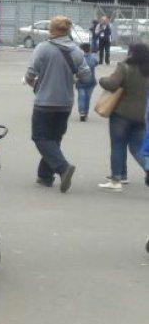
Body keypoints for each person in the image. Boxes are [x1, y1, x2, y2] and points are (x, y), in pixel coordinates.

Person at [25, 16, 91, 192]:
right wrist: (72, 80)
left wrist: (36, 85)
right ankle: (45, 176)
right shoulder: (76, 51)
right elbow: (86, 75)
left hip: (44, 102)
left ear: (52, 30)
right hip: (65, 103)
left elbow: (29, 74)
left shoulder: (43, 48)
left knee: (40, 137)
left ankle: (63, 168)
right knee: (54, 139)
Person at [96, 42, 149, 190]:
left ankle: (116, 179)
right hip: (142, 115)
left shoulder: (125, 67)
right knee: (137, 147)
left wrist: (102, 80)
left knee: (118, 145)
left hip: (122, 114)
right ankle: (129, 173)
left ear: (131, 53)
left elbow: (112, 84)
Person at [76, 43, 99, 121]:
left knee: (81, 97)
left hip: (80, 81)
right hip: (91, 81)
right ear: (89, 49)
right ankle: (85, 113)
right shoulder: (93, 57)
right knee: (87, 98)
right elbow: (96, 63)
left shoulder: (78, 57)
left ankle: (82, 112)